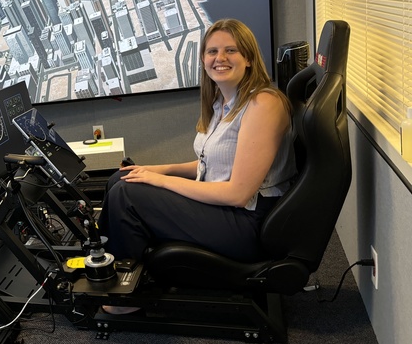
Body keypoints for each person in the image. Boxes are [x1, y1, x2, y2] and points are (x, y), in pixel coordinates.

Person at [98, 18, 297, 269]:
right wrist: (159, 170)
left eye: (231, 50)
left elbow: (238, 193)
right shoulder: (222, 103)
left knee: (127, 196)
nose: (220, 57)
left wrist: (161, 181)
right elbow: (212, 164)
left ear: (248, 58)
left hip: (248, 223)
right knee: (121, 178)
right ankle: (110, 262)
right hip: (227, 210)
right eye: (212, 51)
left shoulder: (263, 104)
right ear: (204, 60)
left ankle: (121, 295)